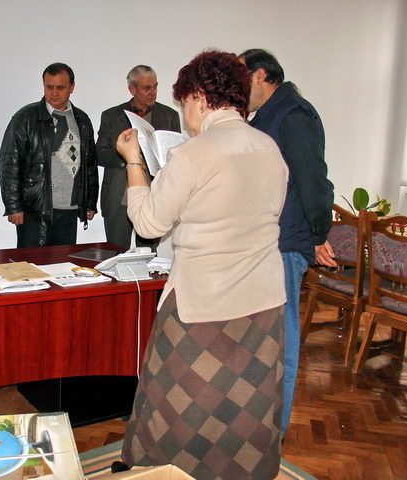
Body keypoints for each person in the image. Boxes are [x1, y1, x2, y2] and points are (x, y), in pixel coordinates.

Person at [115, 50, 288, 479]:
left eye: (183, 104)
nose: (184, 115)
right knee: (247, 401)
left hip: (202, 303)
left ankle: (170, 469)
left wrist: (135, 162)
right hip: (263, 301)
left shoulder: (193, 154)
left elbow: (149, 221)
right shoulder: (269, 148)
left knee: (179, 399)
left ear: (198, 96)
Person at [238, 49, 335, 437]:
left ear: (261, 76)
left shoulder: (293, 115)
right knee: (263, 339)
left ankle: (272, 433)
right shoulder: (267, 116)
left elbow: (314, 181)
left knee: (281, 342)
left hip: (286, 244)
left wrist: (317, 236)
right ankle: (256, 423)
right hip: (266, 241)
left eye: (241, 80)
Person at [0, 63, 98, 248]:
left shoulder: (82, 120)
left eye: (60, 87)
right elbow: (9, 164)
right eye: (49, 87)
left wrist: (90, 202)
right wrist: (13, 206)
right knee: (32, 270)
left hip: (69, 210)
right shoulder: (26, 117)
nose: (54, 93)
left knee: (64, 267)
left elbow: (90, 165)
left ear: (72, 87)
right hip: (34, 210)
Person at [96, 65, 181, 251]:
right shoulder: (111, 116)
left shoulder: (169, 116)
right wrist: (128, 157)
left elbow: (177, 157)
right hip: (119, 198)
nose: (153, 93)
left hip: (154, 197)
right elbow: (99, 153)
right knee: (116, 254)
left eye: (155, 87)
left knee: (149, 256)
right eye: (146, 88)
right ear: (132, 89)